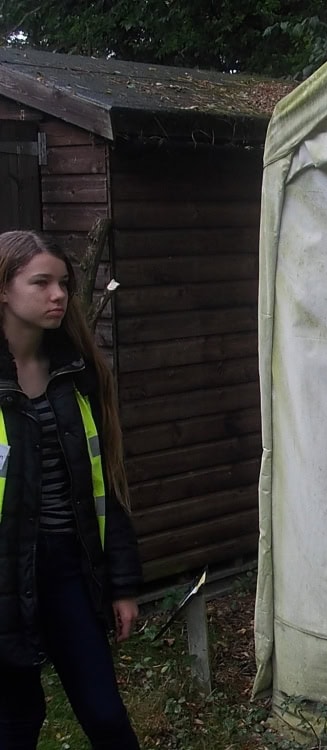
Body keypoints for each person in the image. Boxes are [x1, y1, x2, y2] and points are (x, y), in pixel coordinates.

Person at [0, 231, 143, 748]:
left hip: (68, 572)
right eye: (41, 283)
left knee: (106, 717)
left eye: (62, 283)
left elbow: (108, 488)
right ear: (3, 289)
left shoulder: (77, 373)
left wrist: (122, 585)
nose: (58, 294)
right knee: (16, 720)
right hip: (4, 575)